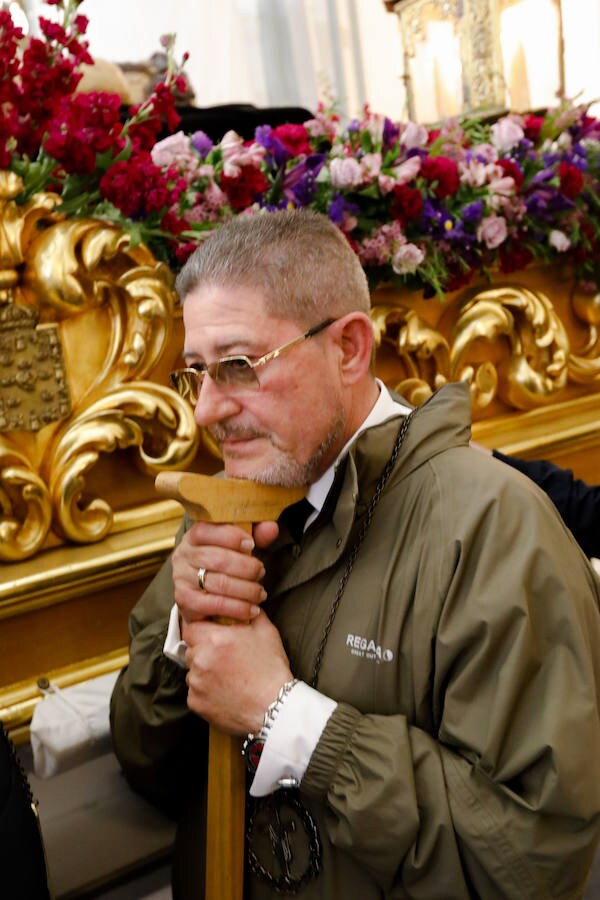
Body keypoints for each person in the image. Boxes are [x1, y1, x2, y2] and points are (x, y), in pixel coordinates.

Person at [110, 209, 600, 899]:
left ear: (348, 349)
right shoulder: (226, 505)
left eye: (240, 366)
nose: (206, 411)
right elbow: (146, 767)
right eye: (196, 373)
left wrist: (284, 715)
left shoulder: (493, 526)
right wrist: (180, 636)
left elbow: (528, 863)